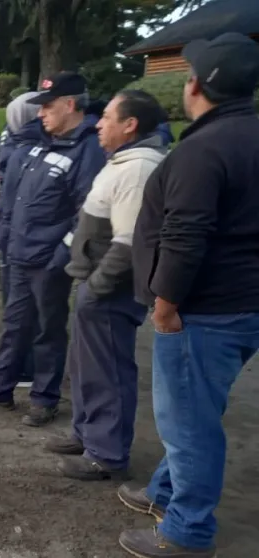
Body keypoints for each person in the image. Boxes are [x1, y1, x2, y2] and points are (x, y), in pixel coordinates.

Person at [122, 33, 259, 558]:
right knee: (198, 411)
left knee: (189, 426)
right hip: (243, 303)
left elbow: (185, 235)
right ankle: (164, 492)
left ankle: (187, 531)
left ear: (197, 85)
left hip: (202, 309)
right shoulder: (246, 137)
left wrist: (165, 305)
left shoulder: (203, 149)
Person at [0, 72, 105, 426]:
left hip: (48, 259)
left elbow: (88, 211)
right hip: (20, 253)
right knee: (14, 323)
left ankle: (44, 398)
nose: (40, 113)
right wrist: (6, 234)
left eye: (48, 107)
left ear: (70, 105)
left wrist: (61, 255)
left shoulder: (88, 150)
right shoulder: (43, 143)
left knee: (47, 329)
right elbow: (17, 196)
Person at [47, 90, 168, 483]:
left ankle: (107, 453)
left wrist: (97, 287)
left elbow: (130, 242)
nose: (98, 123)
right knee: (87, 364)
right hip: (97, 285)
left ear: (130, 125)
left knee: (108, 368)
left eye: (107, 118)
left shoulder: (138, 169)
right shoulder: (123, 162)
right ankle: (87, 434)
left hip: (111, 290)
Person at [0, 92, 44, 388]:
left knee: (24, 308)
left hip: (25, 239)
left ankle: (25, 367)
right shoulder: (20, 145)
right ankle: (15, 363)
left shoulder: (29, 148)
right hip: (13, 235)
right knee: (15, 305)